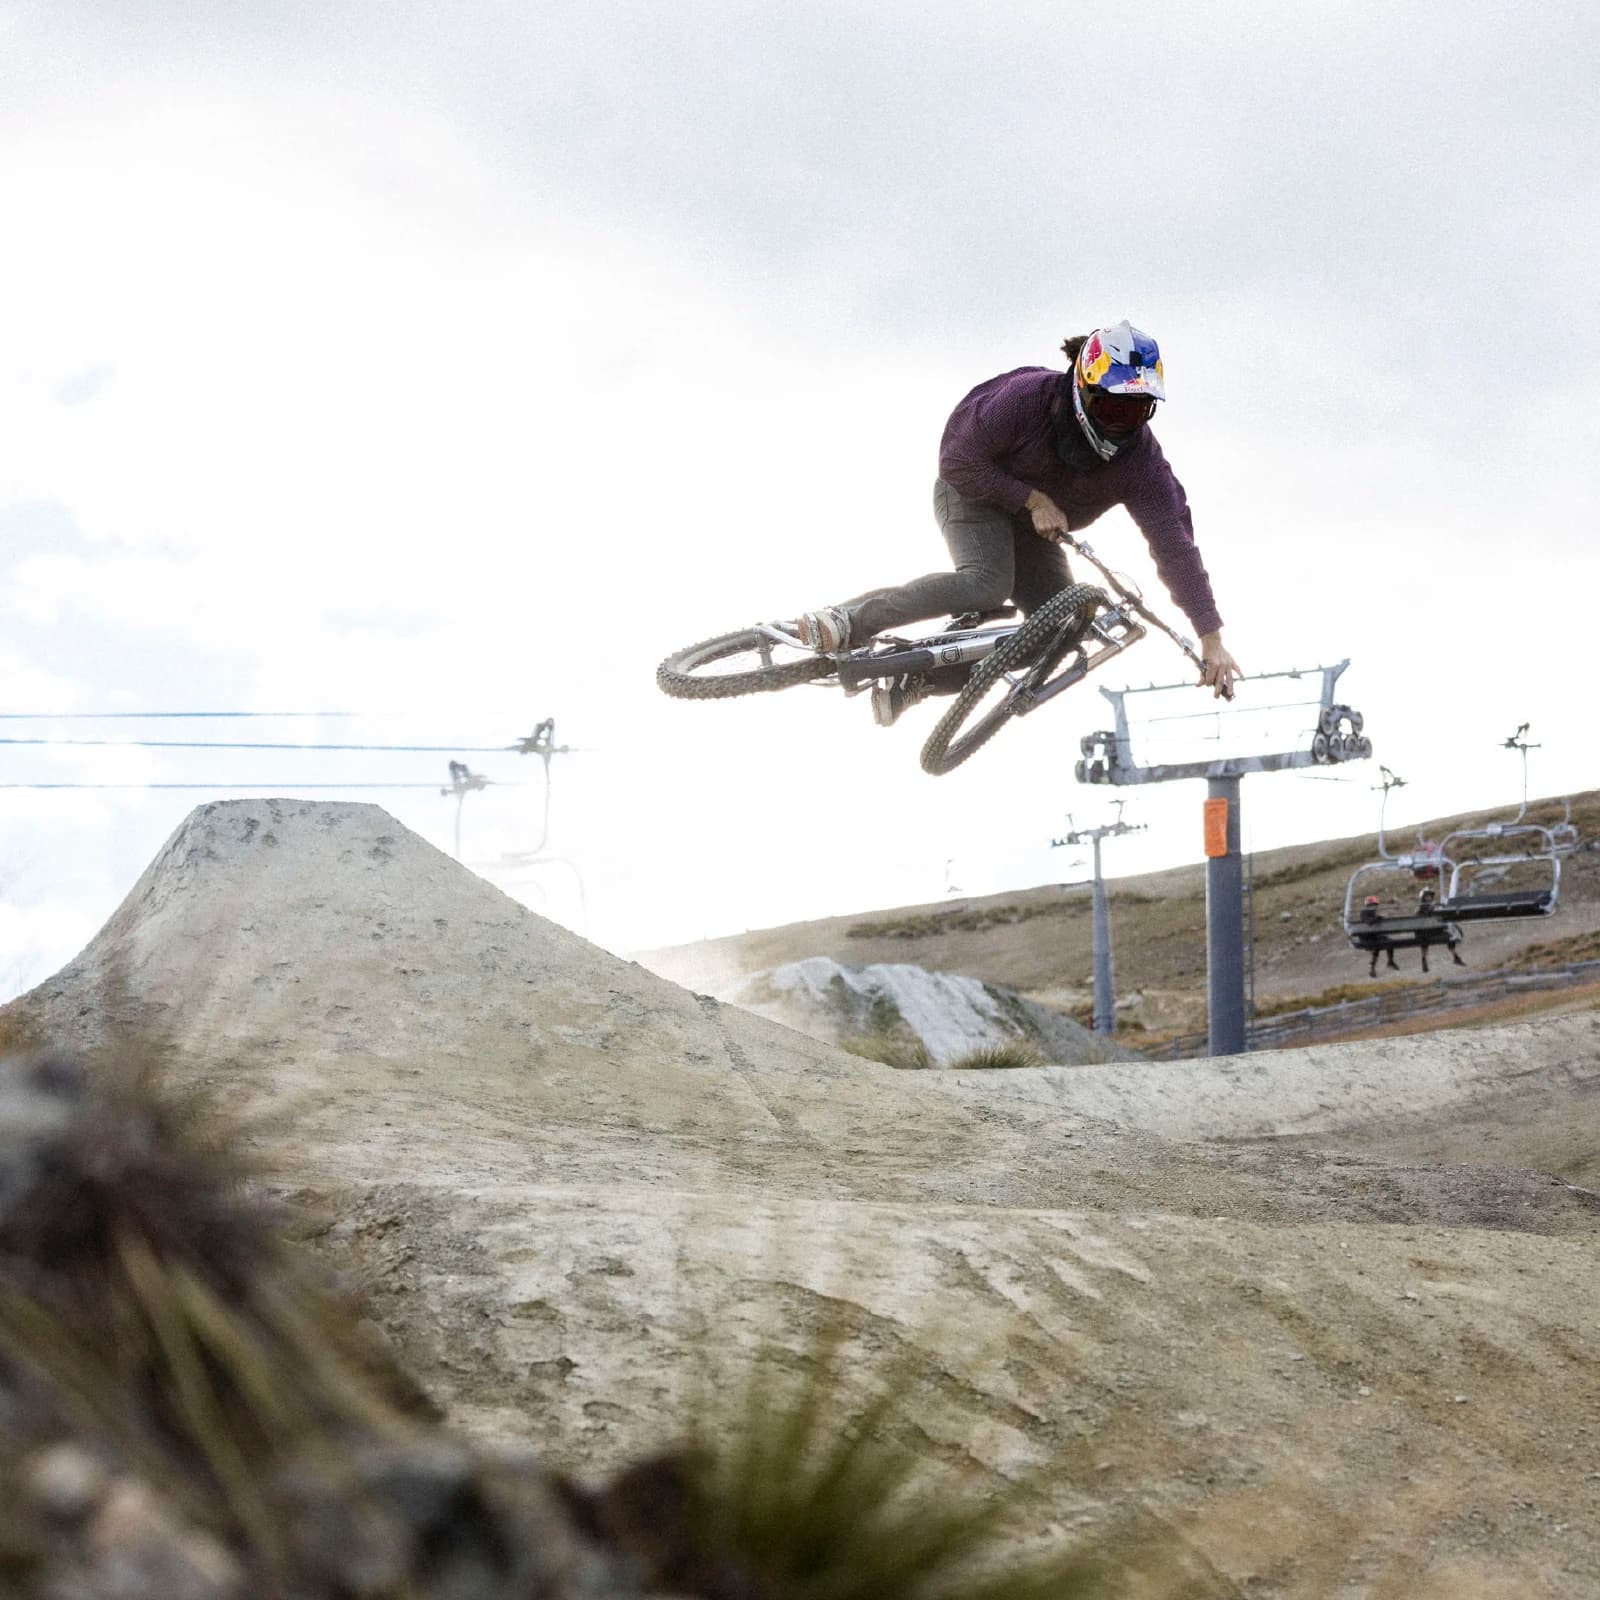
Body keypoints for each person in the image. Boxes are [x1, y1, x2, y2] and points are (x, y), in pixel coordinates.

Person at [793, 320, 1242, 726]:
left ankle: (919, 682)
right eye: (1112, 411)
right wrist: (1031, 498)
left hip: (1033, 532)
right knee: (987, 583)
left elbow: (1176, 546)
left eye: (1136, 412)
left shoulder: (1141, 464)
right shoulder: (1026, 399)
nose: (1121, 426)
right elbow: (956, 461)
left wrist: (1211, 639)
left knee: (1064, 628)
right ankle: (847, 620)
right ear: (1084, 389)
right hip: (973, 491)